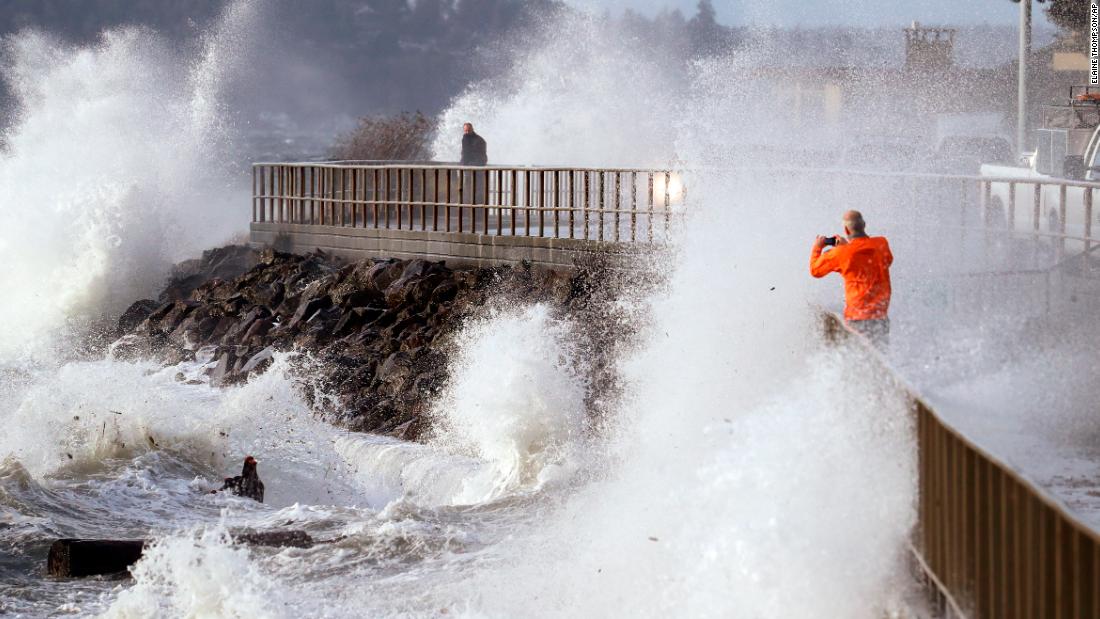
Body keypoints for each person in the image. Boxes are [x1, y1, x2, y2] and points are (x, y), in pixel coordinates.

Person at [810, 210, 893, 346]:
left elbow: (815, 271)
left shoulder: (841, 253)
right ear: (864, 225)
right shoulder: (881, 244)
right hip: (880, 316)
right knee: (880, 351)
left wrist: (817, 247)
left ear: (846, 230)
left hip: (856, 317)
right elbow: (887, 260)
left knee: (860, 354)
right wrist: (847, 247)